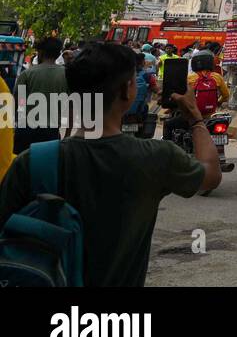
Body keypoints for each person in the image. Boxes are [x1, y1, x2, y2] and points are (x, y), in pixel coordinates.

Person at [0, 41, 221, 286]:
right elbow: (211, 174)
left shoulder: (31, 162)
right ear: (128, 90)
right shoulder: (157, 157)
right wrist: (195, 118)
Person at [13, 36, 67, 155]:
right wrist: (67, 135)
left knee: (20, 166)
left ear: (41, 53)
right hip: (51, 132)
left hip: (26, 128)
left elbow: (18, 102)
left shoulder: (27, 74)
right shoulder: (66, 75)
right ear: (58, 54)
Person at [187, 51, 230, 119]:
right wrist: (217, 103)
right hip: (210, 113)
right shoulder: (217, 77)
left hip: (193, 114)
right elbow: (226, 95)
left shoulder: (190, 78)